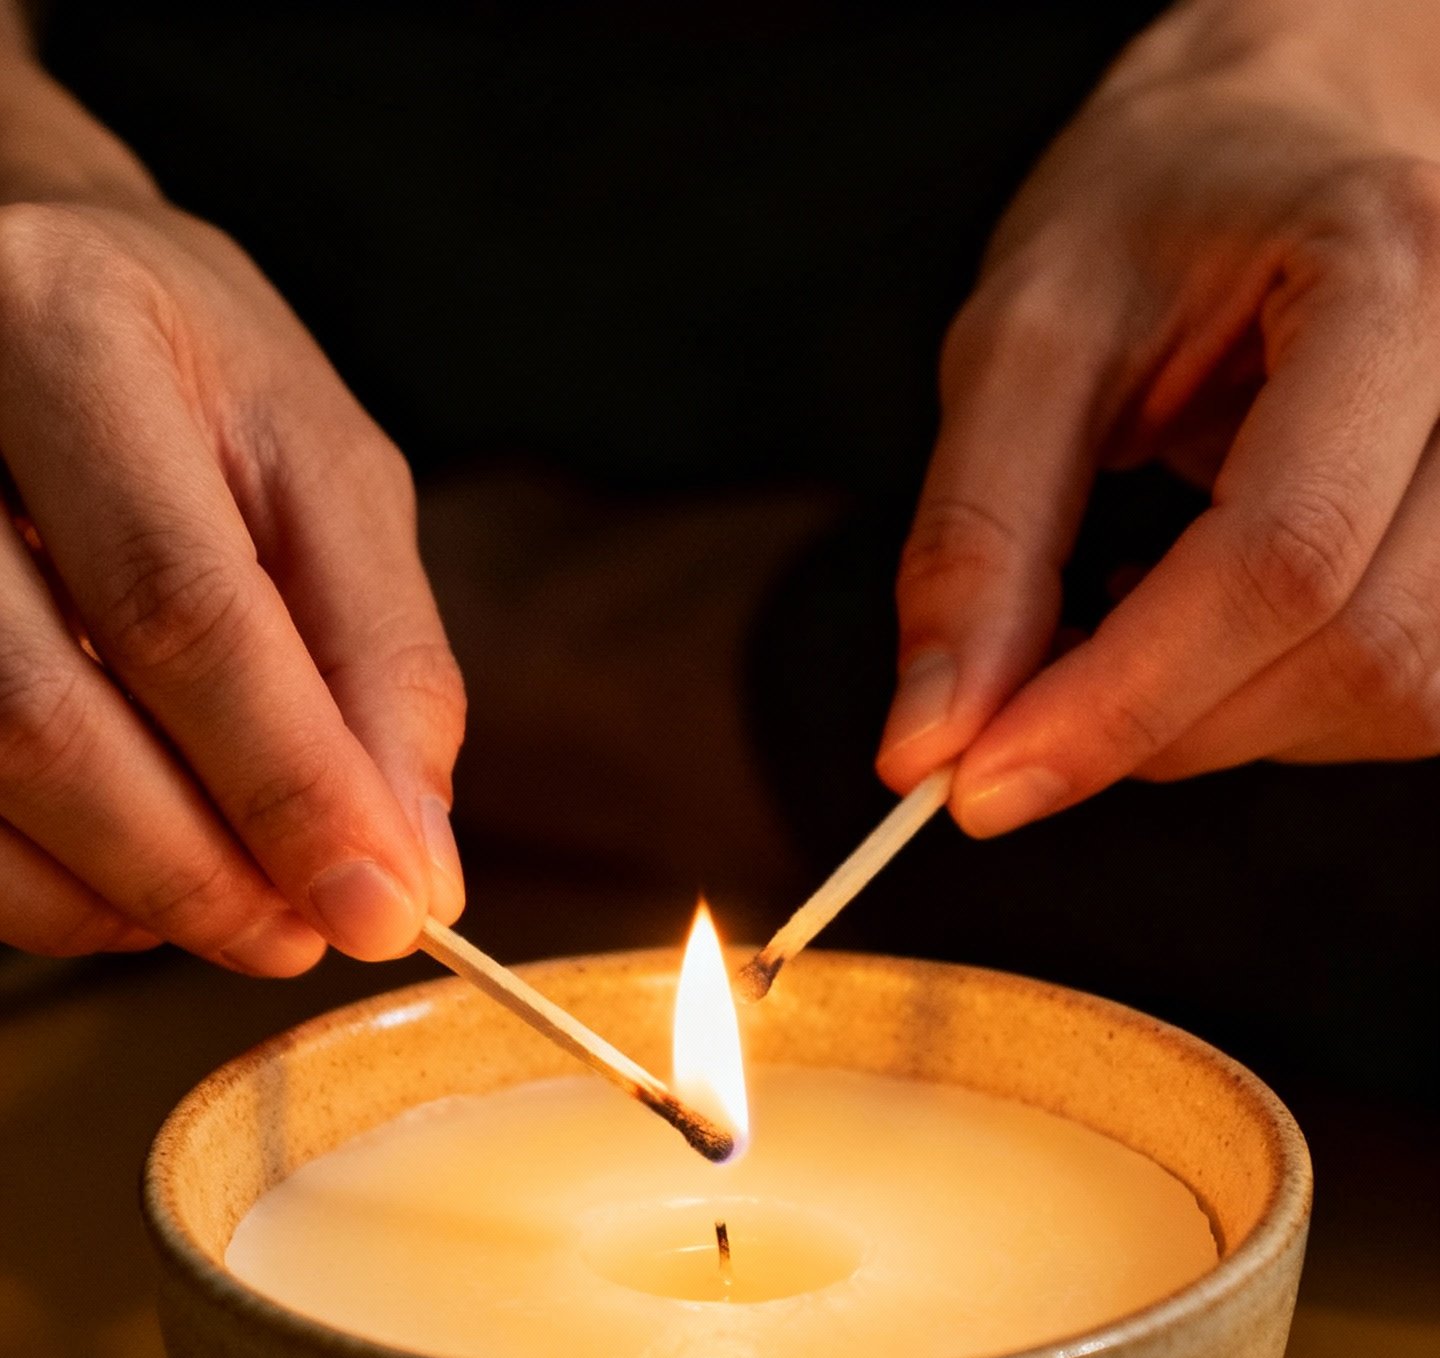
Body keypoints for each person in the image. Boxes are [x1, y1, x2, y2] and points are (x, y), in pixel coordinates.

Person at [2, 1, 1439, 1098]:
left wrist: (1313, 56)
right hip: (241, 319)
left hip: (1118, 336)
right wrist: (33, 167)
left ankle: (583, 652)